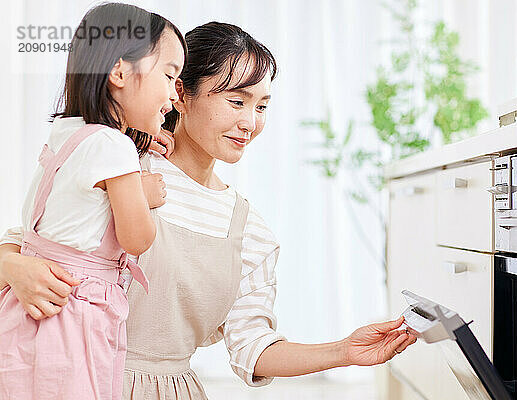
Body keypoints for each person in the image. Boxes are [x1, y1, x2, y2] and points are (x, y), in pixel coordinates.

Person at [0, 22, 416, 400]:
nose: (250, 122)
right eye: (236, 101)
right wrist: (13, 267)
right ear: (180, 92)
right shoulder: (121, 168)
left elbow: (252, 346)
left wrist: (343, 351)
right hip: (76, 376)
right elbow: (28, 240)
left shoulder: (248, 229)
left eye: (262, 106)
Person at [0, 3, 186, 399]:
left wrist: (134, 146)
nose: (173, 96)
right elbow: (137, 239)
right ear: (119, 72)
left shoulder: (67, 132)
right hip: (72, 310)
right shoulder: (113, 147)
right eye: (169, 77)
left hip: (22, 307)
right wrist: (140, 190)